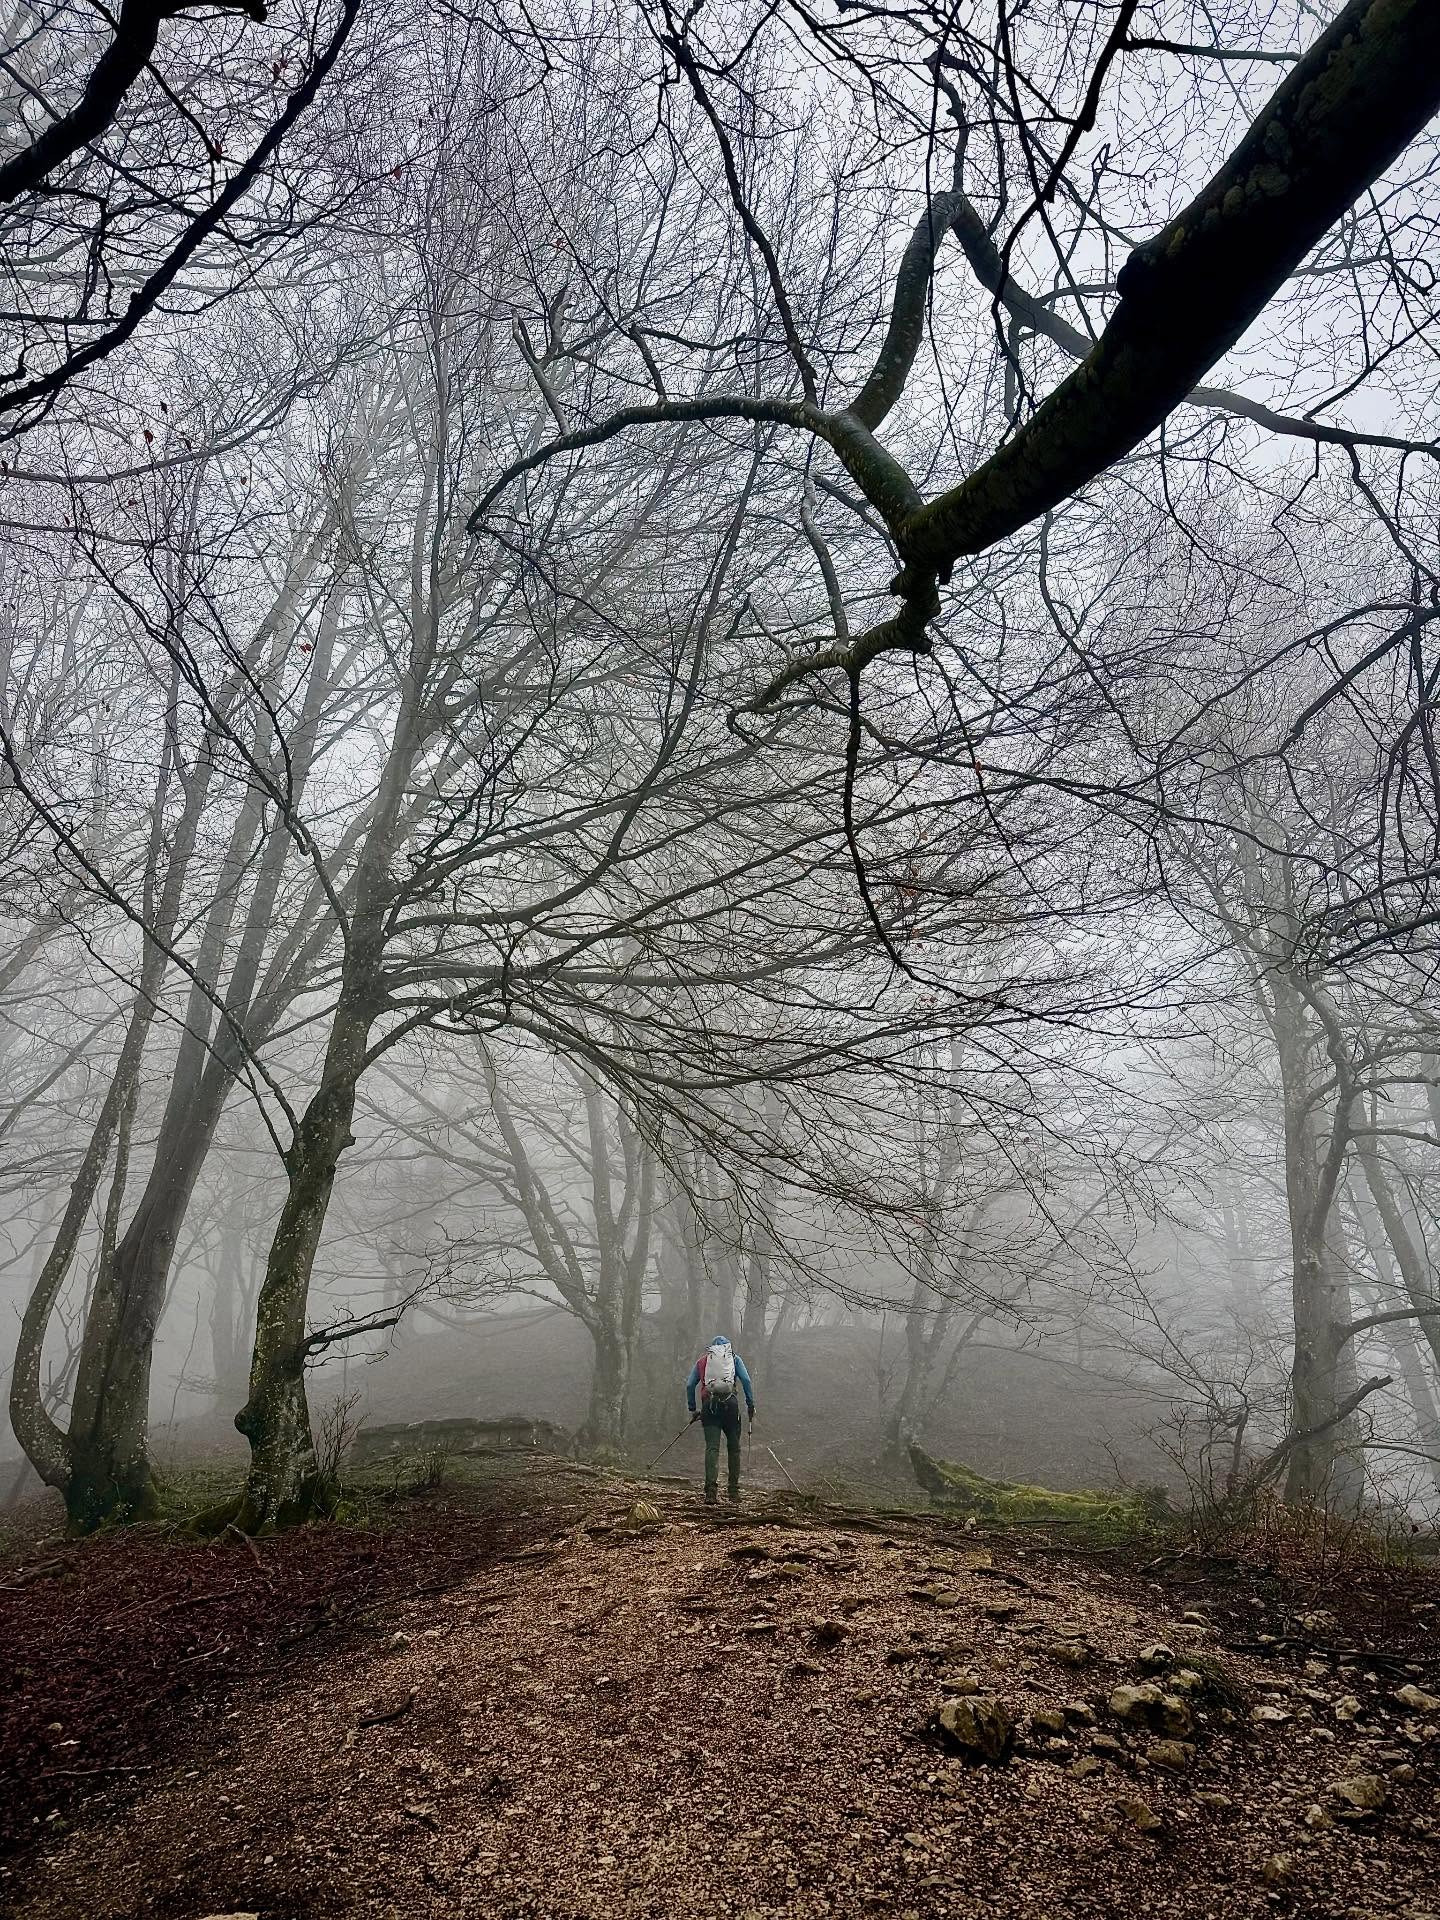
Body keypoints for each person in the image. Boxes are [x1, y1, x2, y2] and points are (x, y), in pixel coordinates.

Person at [686, 1335, 755, 1505]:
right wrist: (750, 1403)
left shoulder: (703, 1361)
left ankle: (710, 1492)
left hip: (709, 1407)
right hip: (730, 1407)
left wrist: (693, 1409)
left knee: (712, 1449)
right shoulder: (734, 1359)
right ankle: (733, 1492)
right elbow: (746, 1380)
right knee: (734, 1449)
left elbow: (689, 1385)